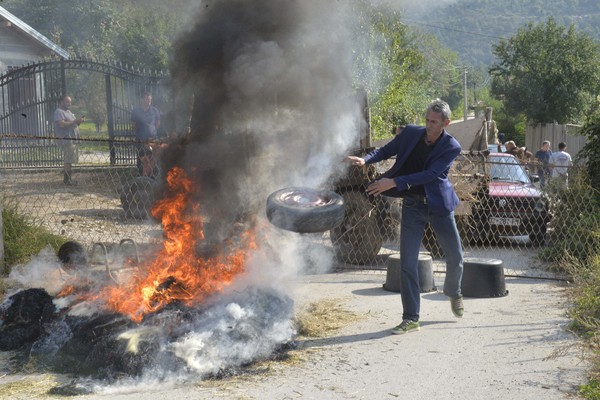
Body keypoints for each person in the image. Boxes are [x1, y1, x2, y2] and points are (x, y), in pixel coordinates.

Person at [346, 99, 464, 335]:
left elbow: (430, 174)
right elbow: (387, 149)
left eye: (434, 122)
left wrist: (394, 182)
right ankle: (411, 318)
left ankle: (453, 292)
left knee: (455, 256)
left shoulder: (452, 147)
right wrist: (366, 160)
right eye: (427, 120)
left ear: (446, 123)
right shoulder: (411, 133)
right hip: (413, 205)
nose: (429, 126)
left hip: (439, 206)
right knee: (407, 264)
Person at [54, 95, 85, 185]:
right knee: (68, 160)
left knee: (70, 159)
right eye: (67, 101)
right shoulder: (58, 111)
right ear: (61, 102)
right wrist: (74, 121)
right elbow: (61, 124)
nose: (69, 103)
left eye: (70, 102)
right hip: (66, 139)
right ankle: (67, 180)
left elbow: (73, 123)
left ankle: (68, 179)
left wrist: (79, 121)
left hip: (72, 139)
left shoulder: (69, 112)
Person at [131, 91, 161, 175]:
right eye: (147, 99)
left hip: (152, 140)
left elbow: (157, 124)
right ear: (141, 100)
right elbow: (133, 125)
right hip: (140, 141)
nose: (148, 101)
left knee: (153, 159)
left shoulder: (155, 111)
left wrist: (151, 131)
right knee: (141, 160)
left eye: (150, 99)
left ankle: (152, 178)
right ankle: (142, 178)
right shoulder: (136, 111)